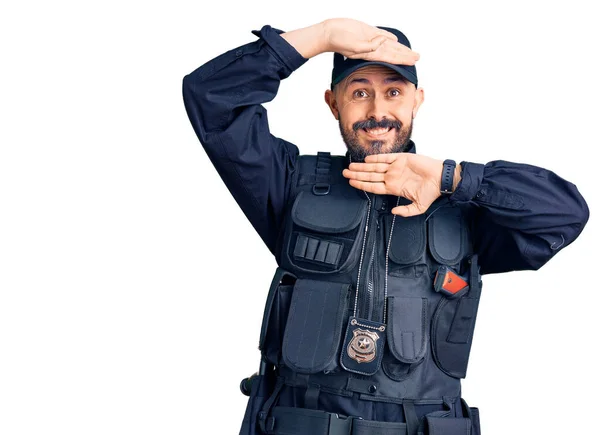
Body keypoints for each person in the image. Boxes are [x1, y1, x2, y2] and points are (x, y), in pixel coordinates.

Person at [182, 18, 589, 435]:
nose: (378, 112)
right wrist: (318, 38)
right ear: (333, 103)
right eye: (360, 92)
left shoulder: (464, 207)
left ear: (418, 101)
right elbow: (210, 98)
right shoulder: (290, 186)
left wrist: (456, 179)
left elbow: (566, 213)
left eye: (394, 92)